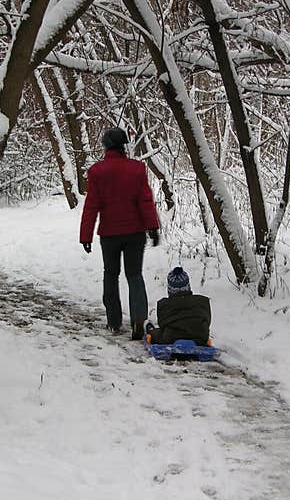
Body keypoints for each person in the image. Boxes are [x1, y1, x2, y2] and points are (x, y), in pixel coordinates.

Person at [80, 127, 160, 340]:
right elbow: (145, 200)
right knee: (134, 275)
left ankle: (114, 321)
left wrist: (85, 236)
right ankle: (138, 320)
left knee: (110, 274)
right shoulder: (137, 169)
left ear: (106, 145)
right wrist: (153, 227)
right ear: (124, 145)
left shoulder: (97, 171)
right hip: (135, 233)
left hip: (110, 235)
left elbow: (91, 206)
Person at [145, 267, 212, 346]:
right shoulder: (202, 302)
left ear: (170, 289)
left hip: (171, 338)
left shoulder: (164, 304)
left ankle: (151, 331)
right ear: (188, 286)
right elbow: (207, 320)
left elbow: (162, 324)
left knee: (157, 334)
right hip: (199, 338)